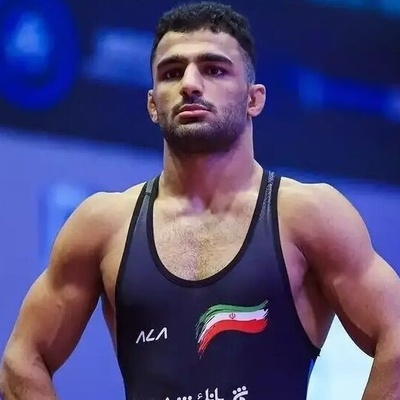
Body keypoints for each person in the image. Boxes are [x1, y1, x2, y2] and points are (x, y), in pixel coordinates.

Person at [1, 2, 400, 399]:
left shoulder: (308, 216)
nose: (190, 84)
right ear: (152, 104)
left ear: (254, 99)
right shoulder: (103, 226)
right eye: (172, 73)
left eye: (214, 69)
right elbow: (21, 360)